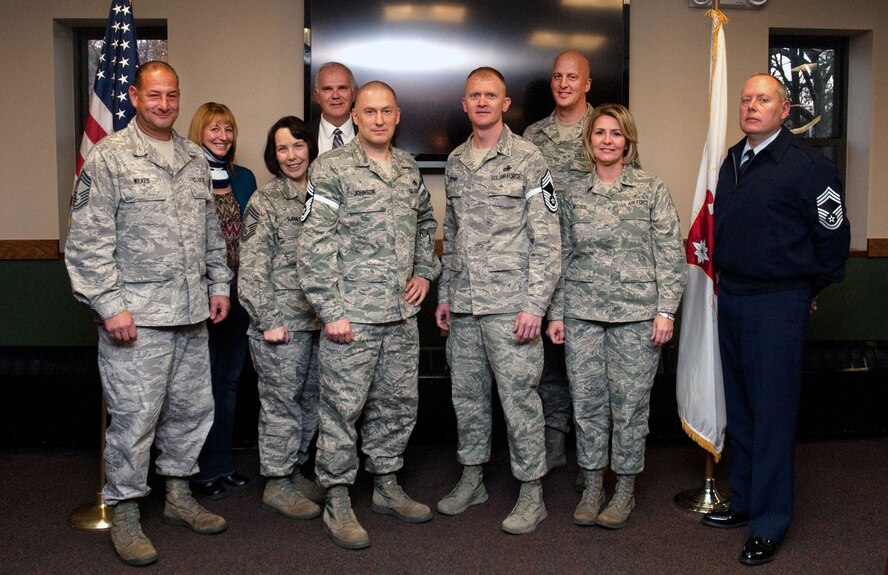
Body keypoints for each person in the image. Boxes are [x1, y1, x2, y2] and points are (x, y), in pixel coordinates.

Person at [65, 61, 231, 567]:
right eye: (154, 95)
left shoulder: (193, 158)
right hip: (135, 322)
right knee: (135, 421)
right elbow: (86, 243)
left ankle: (178, 496)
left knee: (191, 412)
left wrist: (219, 284)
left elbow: (210, 234)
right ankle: (126, 510)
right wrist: (109, 306)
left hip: (190, 315)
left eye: (172, 96)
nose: (164, 104)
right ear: (135, 96)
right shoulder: (109, 158)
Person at [703, 73, 850, 566]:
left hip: (779, 302)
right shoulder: (732, 160)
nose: (751, 106)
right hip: (735, 297)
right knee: (742, 412)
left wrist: (810, 287)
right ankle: (744, 502)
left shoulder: (808, 166)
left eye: (762, 99)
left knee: (771, 417)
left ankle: (769, 522)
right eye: (746, 99)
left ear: (784, 110)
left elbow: (833, 233)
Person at [297, 81, 441, 550]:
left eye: (387, 112)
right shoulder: (331, 168)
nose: (379, 120)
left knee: (397, 405)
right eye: (369, 112)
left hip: (400, 315)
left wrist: (424, 269)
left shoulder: (407, 167)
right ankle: (338, 499)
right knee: (341, 410)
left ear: (397, 116)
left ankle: (386, 486)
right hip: (351, 319)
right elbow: (313, 244)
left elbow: (425, 223)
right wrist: (331, 310)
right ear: (354, 116)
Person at [546, 103, 686, 530]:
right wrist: (557, 313)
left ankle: (624, 487)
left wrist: (666, 310)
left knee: (629, 406)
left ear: (628, 141)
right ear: (589, 142)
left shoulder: (650, 189)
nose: (607, 140)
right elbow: (561, 256)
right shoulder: (572, 195)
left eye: (616, 133)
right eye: (600, 133)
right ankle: (592, 485)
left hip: (638, 317)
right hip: (583, 315)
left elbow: (669, 254)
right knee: (587, 405)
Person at [435, 67, 561, 535]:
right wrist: (446, 294)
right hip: (465, 305)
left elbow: (547, 238)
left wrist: (535, 305)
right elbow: (452, 232)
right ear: (464, 104)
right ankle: (473, 479)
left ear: (505, 104)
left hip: (513, 307)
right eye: (475, 96)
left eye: (491, 95)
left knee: (519, 400)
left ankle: (532, 493)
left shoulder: (530, 159)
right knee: (466, 398)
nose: (483, 102)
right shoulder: (454, 161)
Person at [238, 116, 326, 521]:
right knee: (280, 405)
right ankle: (276, 481)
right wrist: (268, 319)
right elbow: (252, 269)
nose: (291, 155)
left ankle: (294, 469)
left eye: (297, 146)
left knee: (311, 401)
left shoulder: (326, 195)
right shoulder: (265, 202)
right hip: (281, 325)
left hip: (319, 322)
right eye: (282, 149)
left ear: (310, 146)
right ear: (273, 156)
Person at [523, 50, 594, 476]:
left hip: (591, 263)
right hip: (545, 261)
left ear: (587, 84)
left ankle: (591, 449)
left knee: (586, 362)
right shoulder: (533, 135)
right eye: (557, 77)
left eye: (573, 77)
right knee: (547, 361)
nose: (564, 84)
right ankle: (553, 439)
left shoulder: (606, 129)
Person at [186, 102, 257, 500]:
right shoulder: (187, 175)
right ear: (200, 131)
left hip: (237, 296)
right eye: (214, 128)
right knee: (198, 387)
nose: (222, 136)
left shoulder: (243, 177)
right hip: (200, 297)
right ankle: (196, 469)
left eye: (228, 129)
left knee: (227, 383)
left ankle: (223, 464)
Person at [312, 62, 357, 154]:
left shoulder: (371, 132)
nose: (335, 96)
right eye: (327, 89)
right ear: (317, 96)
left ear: (354, 94)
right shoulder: (304, 136)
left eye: (342, 88)